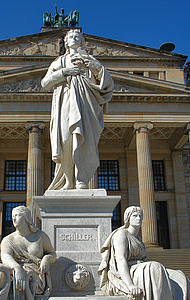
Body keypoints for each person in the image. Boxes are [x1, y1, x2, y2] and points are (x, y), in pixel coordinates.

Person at [98, 206, 190, 300]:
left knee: (177, 275)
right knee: (154, 267)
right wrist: (129, 285)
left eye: (140, 216)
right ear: (127, 218)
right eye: (135, 216)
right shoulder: (121, 235)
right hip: (125, 274)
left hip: (141, 270)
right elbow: (120, 260)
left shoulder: (138, 239)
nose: (138, 218)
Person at [42, 29, 114, 190]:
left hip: (86, 105)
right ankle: (68, 181)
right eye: (70, 37)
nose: (74, 39)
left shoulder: (91, 60)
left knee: (84, 142)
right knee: (66, 141)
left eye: (77, 37)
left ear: (82, 41)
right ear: (65, 42)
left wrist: (95, 67)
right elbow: (45, 83)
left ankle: (82, 179)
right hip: (65, 103)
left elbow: (107, 85)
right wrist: (64, 72)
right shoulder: (59, 62)